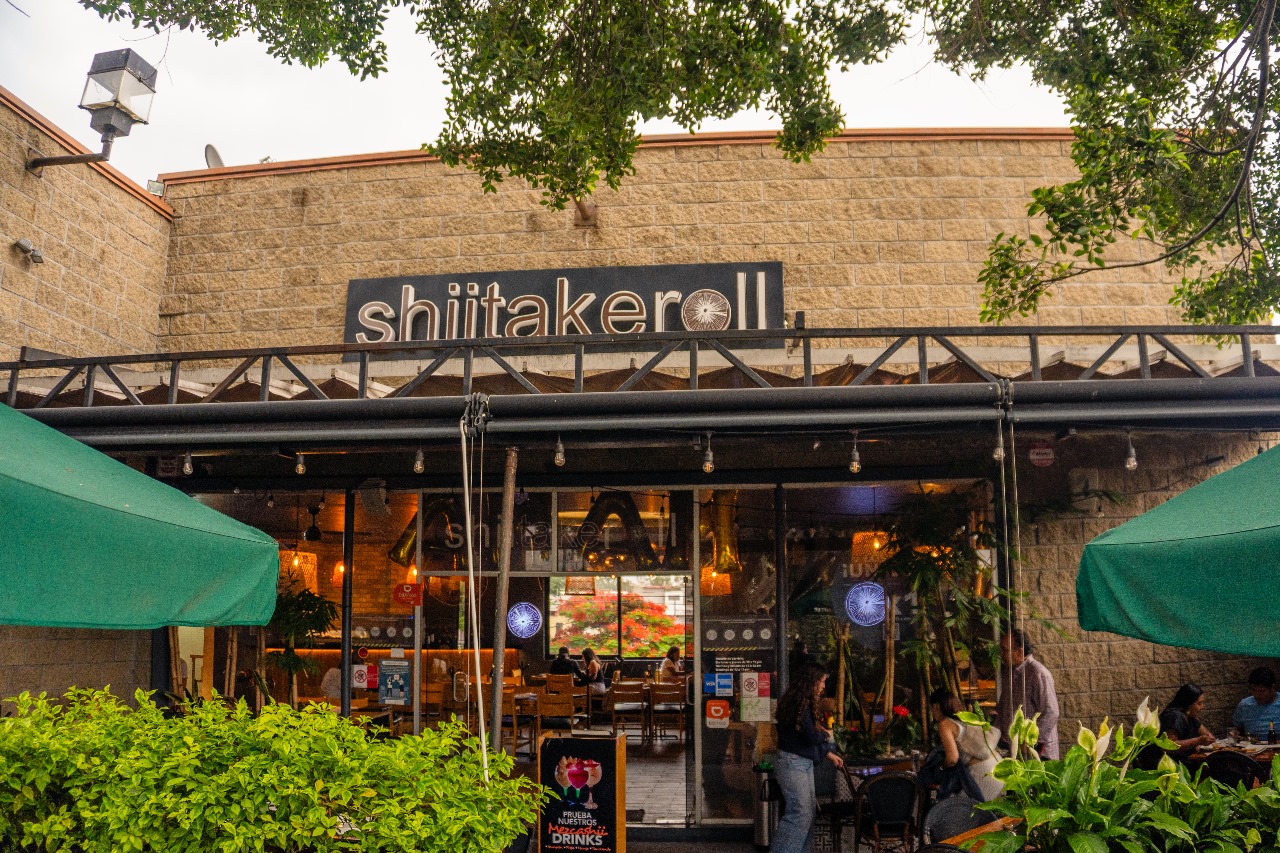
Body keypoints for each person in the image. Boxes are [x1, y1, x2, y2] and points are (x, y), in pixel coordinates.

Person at [773, 664, 844, 853]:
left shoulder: (798, 702)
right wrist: (827, 735)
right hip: (793, 763)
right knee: (800, 814)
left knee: (807, 814)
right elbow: (811, 736)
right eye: (821, 681)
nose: (823, 686)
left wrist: (828, 754)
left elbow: (801, 739)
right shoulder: (801, 705)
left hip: (798, 762)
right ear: (812, 681)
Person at [995, 627, 1061, 758]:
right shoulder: (1009, 672)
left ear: (1020, 652)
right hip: (1015, 749)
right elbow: (1004, 706)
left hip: (1038, 751)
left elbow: (1051, 712)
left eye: (1005, 650)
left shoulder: (1038, 673)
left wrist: (1031, 739)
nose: (1001, 654)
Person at [928, 688, 1003, 802]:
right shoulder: (961, 718)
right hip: (997, 765)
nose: (931, 712)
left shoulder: (944, 724)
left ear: (936, 706)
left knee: (959, 809)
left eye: (931, 708)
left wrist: (941, 767)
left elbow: (952, 759)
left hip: (983, 771)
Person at [1161, 683, 1216, 750]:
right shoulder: (1174, 716)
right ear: (1189, 703)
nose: (1202, 707)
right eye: (1199, 703)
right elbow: (1170, 745)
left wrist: (1207, 739)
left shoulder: (1189, 715)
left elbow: (1209, 737)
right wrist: (1198, 741)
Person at [1233, 667, 1280, 740]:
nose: (1257, 695)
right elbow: (1235, 728)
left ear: (1272, 688)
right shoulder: (1245, 705)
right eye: (1253, 690)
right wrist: (1235, 735)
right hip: (1252, 745)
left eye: (1262, 691)